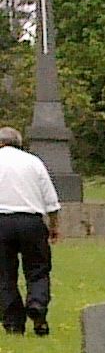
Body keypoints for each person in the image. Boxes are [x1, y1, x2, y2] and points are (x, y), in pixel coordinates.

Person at [0, 126, 59, 335]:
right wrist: (54, 227)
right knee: (38, 270)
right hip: (31, 222)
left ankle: (13, 323)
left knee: (5, 275)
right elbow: (51, 201)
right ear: (19, 143)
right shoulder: (34, 162)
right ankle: (37, 306)